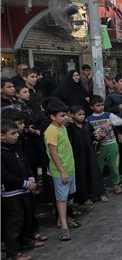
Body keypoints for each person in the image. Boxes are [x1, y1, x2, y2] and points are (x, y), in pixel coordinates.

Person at [1, 120, 42, 260]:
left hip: (25, 189)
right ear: (2, 136)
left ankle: (25, 241)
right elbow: (4, 176)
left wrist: (31, 178)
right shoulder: (2, 153)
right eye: (13, 133)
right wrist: (25, 183)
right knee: (14, 223)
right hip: (12, 193)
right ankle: (13, 252)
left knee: (26, 216)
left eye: (17, 132)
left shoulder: (16, 149)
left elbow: (26, 165)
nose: (17, 135)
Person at [44, 100, 76, 241]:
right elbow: (53, 153)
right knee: (61, 199)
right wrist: (62, 171)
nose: (66, 118)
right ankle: (64, 226)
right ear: (52, 116)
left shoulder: (62, 127)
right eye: (62, 115)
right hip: (60, 171)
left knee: (69, 195)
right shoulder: (51, 131)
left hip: (70, 167)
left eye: (66, 115)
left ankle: (62, 219)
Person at [67, 106, 107, 205]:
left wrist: (99, 137)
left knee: (95, 172)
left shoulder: (87, 125)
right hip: (78, 156)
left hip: (90, 153)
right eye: (79, 115)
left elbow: (93, 136)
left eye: (83, 114)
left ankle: (100, 193)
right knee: (82, 175)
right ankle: (84, 197)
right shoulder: (70, 128)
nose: (82, 117)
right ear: (72, 115)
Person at [86, 95, 122, 194]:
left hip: (111, 144)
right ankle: (100, 188)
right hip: (98, 146)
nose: (100, 107)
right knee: (99, 168)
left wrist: (110, 123)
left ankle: (116, 184)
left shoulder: (108, 115)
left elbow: (120, 121)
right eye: (98, 105)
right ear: (92, 107)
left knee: (114, 166)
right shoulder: (88, 119)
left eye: (102, 105)